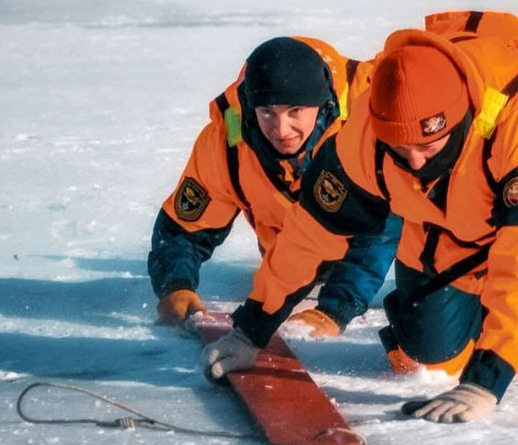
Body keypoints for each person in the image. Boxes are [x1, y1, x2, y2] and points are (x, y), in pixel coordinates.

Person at [201, 11, 518, 424]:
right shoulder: (364, 134)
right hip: (445, 222)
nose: (417, 161)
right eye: (401, 150)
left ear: (460, 118)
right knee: (430, 360)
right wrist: (252, 328)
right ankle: (475, 311)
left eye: (430, 146)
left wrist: (487, 381)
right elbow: (309, 236)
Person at [148, 36, 401, 337]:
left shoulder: (367, 126)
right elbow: (184, 226)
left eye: (295, 111)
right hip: (286, 246)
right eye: (267, 112)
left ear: (321, 106)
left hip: (371, 238)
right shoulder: (228, 141)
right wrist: (176, 286)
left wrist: (334, 310)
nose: (281, 130)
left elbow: (382, 231)